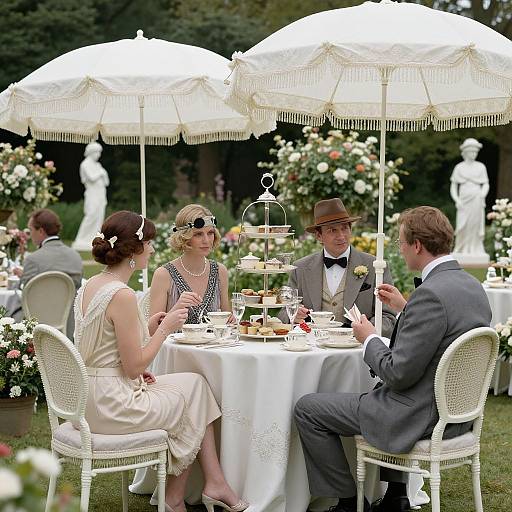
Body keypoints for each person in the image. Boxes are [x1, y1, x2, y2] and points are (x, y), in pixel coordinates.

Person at [294, 206, 491, 512]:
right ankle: (396, 495)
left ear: (417, 246)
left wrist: (369, 337)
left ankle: (346, 501)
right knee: (374, 393)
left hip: (418, 418)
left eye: (401, 243)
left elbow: (396, 373)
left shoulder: (430, 294)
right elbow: (438, 337)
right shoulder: (472, 286)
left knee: (308, 409)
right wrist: (404, 309)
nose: (399, 250)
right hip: (458, 416)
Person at [76, 210, 247, 512]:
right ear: (133, 251)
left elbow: (107, 351)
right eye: (150, 242)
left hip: (87, 399)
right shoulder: (123, 295)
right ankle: (178, 497)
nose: (154, 249)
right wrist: (166, 328)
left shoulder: (90, 286)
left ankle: (210, 484)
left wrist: (151, 327)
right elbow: (134, 366)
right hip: (113, 406)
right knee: (192, 400)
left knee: (196, 385)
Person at [280, 198, 395, 337]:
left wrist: (366, 331)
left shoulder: (376, 266)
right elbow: (283, 314)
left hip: (359, 351)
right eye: (332, 230)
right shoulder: (300, 269)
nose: (341, 236)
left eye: (344, 228)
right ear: (318, 235)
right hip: (312, 349)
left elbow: (388, 317)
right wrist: (293, 315)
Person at [150, 204, 230, 322]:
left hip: (215, 341)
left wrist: (231, 320)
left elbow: (227, 320)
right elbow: (151, 330)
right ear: (184, 237)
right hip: (172, 341)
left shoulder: (220, 271)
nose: (206, 240)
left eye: (210, 233)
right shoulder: (163, 275)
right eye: (198, 234)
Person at [14, 209, 83, 337]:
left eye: (31, 230)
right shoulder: (75, 256)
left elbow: (25, 293)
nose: (30, 235)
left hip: (38, 326)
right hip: (68, 325)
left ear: (40, 231)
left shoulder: (33, 259)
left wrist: (23, 276)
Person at [450, 138, 489, 257]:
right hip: (463, 201)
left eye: (475, 152)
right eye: (471, 152)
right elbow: (453, 186)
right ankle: (461, 247)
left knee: (474, 225)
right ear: (465, 152)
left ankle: (474, 248)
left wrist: (482, 194)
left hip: (476, 199)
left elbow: (486, 184)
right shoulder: (459, 167)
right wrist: (457, 200)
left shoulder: (481, 167)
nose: (474, 154)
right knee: (462, 225)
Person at [72, 141, 110, 251]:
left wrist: (102, 173)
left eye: (99, 152)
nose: (99, 155)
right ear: (91, 152)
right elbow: (92, 178)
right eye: (97, 152)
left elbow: (106, 182)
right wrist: (101, 173)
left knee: (99, 217)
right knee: (91, 215)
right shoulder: (85, 164)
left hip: (101, 193)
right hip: (92, 193)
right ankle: (81, 239)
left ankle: (94, 238)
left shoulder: (98, 165)